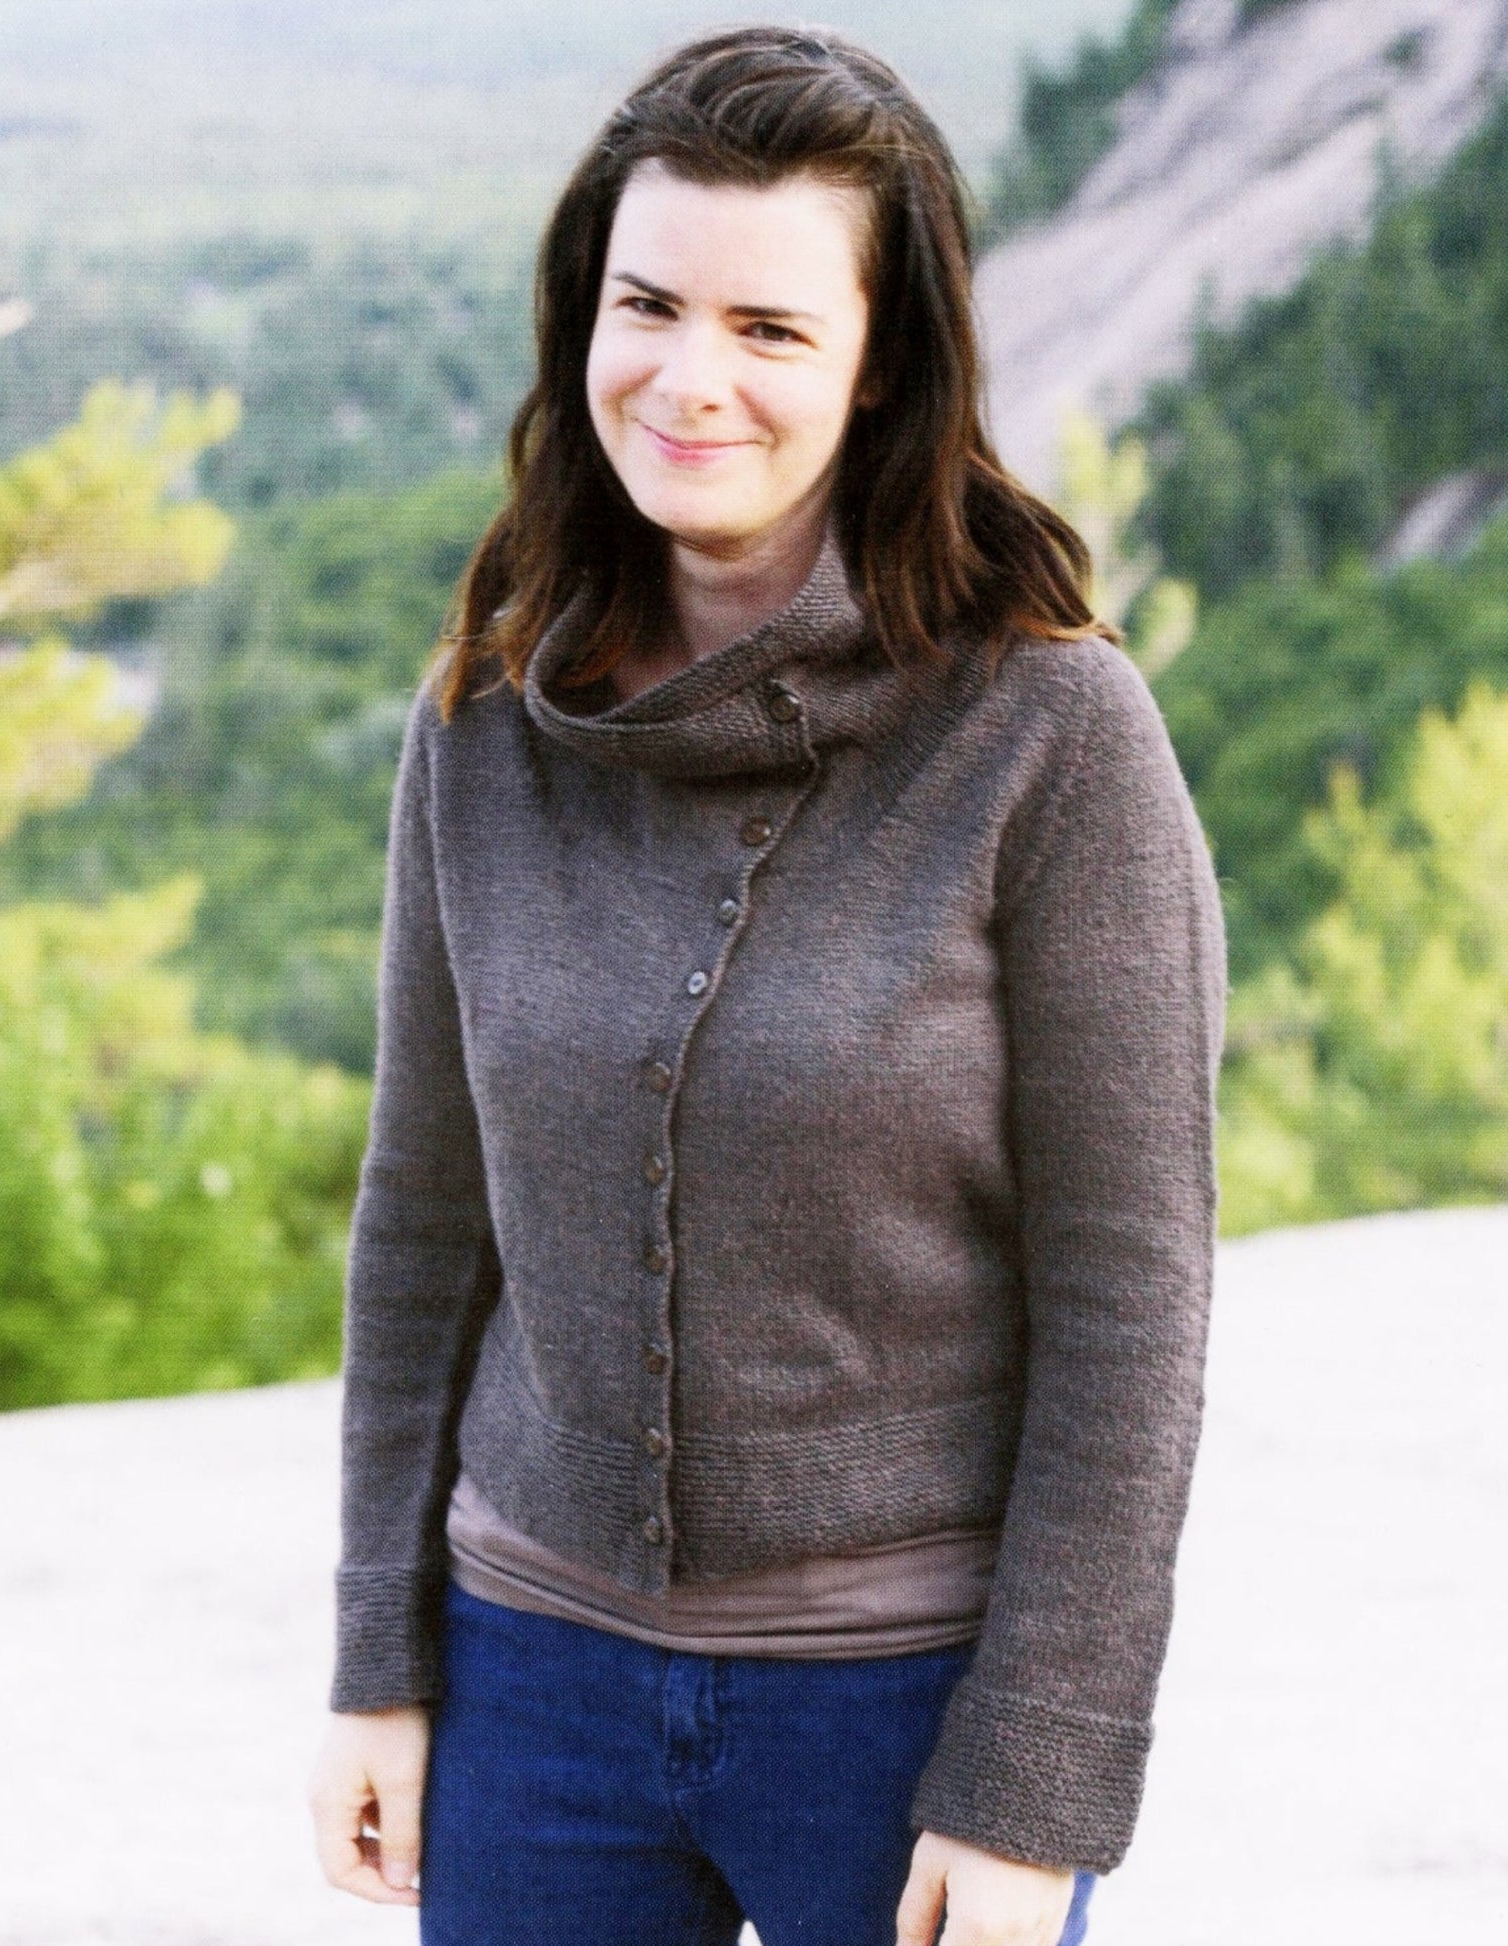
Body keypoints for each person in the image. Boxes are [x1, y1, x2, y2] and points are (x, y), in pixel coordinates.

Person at [307, 26, 1225, 1946]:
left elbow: (1129, 1301)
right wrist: (377, 1664)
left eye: (772, 327)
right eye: (646, 302)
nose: (687, 374)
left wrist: (1033, 1783)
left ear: (882, 365)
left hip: (896, 1718)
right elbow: (420, 1224)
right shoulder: (479, 719)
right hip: (525, 1694)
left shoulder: (1050, 732)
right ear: (584, 313)